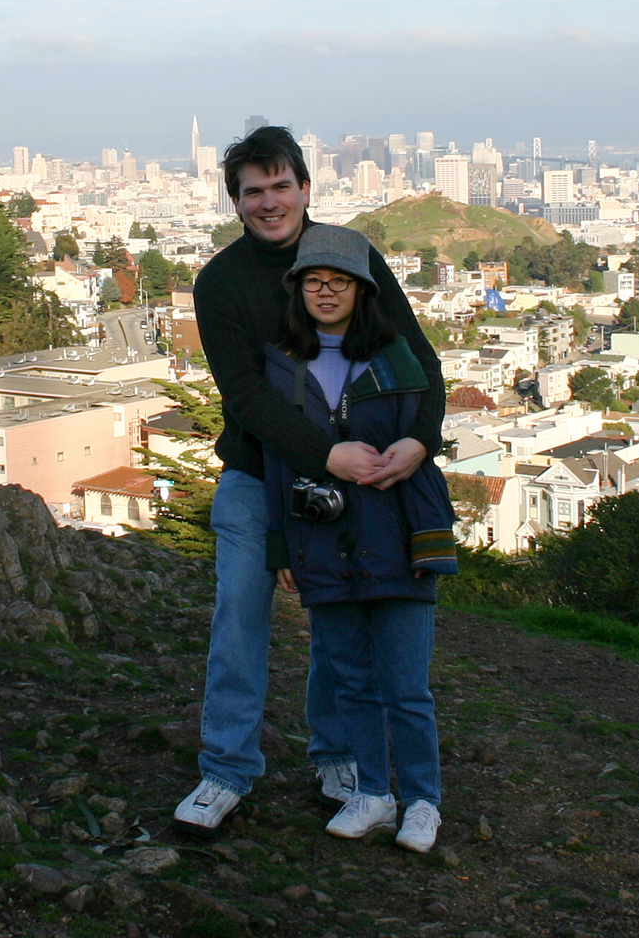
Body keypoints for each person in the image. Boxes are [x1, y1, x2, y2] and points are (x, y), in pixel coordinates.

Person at [173, 128, 445, 831]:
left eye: (280, 186)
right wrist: (327, 456)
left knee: (338, 619)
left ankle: (340, 757)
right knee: (240, 615)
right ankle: (225, 769)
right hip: (257, 472)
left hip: (359, 477)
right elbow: (245, 397)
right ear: (235, 202)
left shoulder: (350, 255)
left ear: (305, 188)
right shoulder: (222, 282)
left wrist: (421, 439)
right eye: (252, 192)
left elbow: (419, 360)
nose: (269, 203)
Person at [263, 224, 456, 853]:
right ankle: (373, 793)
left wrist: (426, 523)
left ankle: (422, 801)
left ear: (362, 291)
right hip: (320, 539)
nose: (326, 292)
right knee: (350, 679)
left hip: (395, 535)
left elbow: (422, 440)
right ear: (298, 290)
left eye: (339, 281)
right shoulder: (282, 365)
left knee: (406, 686)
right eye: (314, 281)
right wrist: (279, 546)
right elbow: (276, 461)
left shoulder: (396, 357)